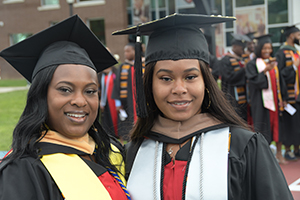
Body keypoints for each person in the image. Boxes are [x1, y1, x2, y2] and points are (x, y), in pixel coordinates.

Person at [113, 13, 293, 199]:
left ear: (206, 81)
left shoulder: (242, 147)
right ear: (149, 84)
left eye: (190, 77)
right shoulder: (133, 152)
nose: (179, 89)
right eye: (165, 78)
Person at [0, 15, 130, 200]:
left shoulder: (110, 152)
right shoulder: (23, 170)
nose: (80, 101)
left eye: (90, 91)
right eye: (65, 89)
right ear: (41, 95)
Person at [245, 34, 288, 164]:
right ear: (259, 49)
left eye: (269, 48)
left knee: (278, 126)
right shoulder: (252, 64)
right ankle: (265, 156)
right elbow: (252, 83)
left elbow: (280, 81)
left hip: (276, 101)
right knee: (264, 127)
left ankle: (279, 153)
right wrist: (264, 71)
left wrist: (284, 97)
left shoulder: (274, 62)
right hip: (261, 103)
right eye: (264, 48)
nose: (267, 51)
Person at [276, 24, 300, 160]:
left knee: (297, 124)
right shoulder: (282, 53)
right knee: (290, 123)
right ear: (291, 36)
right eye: (298, 35)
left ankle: (297, 149)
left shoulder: (296, 52)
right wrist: (294, 68)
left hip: (298, 94)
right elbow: (280, 75)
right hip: (289, 96)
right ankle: (287, 150)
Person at [219, 33, 251, 122]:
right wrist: (243, 69)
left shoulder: (241, 59)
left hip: (243, 96)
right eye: (242, 48)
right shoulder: (226, 60)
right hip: (232, 95)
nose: (243, 51)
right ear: (235, 46)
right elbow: (229, 78)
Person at [112, 43, 137, 144]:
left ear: (135, 51)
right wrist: (118, 104)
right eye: (125, 51)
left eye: (128, 51)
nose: (126, 54)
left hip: (139, 103)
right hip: (126, 103)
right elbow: (117, 85)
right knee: (126, 125)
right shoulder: (122, 67)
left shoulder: (142, 65)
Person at [98, 65, 120, 139]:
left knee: (114, 117)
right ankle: (108, 134)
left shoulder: (115, 74)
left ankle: (116, 134)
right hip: (105, 100)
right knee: (106, 118)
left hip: (113, 100)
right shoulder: (101, 76)